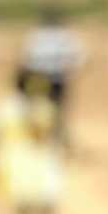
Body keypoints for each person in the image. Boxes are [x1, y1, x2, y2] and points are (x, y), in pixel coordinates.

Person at [0, 69, 65, 214]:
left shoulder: (40, 107)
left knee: (41, 203)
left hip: (31, 160)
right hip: (22, 160)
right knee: (30, 204)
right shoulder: (15, 107)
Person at [21, 8, 84, 142]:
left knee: (39, 107)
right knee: (58, 109)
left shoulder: (37, 36)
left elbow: (27, 59)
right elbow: (78, 58)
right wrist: (71, 72)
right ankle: (56, 135)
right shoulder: (66, 37)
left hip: (40, 78)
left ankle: (39, 135)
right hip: (58, 78)